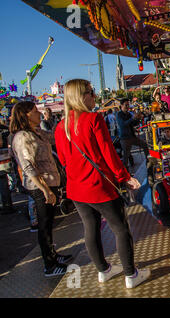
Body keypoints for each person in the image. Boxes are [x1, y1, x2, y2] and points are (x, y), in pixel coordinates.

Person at [55, 79, 150, 288]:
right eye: (91, 92)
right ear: (81, 96)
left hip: (76, 189)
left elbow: (63, 161)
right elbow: (109, 154)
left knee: (90, 229)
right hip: (99, 187)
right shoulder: (92, 119)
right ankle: (130, 275)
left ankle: (103, 271)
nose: (95, 96)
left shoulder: (61, 126)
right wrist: (125, 176)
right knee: (121, 229)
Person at [10, 101, 72, 277]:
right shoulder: (22, 137)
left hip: (50, 183)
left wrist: (66, 120)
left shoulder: (36, 133)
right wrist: (45, 190)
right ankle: (49, 265)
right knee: (44, 225)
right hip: (40, 187)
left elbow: (53, 137)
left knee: (50, 223)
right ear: (26, 115)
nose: (39, 114)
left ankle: (53, 255)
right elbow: (28, 167)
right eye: (35, 111)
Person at [116, 98, 149, 171]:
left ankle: (148, 161)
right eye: (126, 105)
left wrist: (138, 118)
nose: (128, 106)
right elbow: (123, 124)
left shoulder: (128, 114)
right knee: (126, 156)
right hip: (124, 138)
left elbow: (133, 124)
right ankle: (126, 173)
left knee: (144, 145)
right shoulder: (119, 114)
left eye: (128, 105)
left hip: (132, 136)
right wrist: (132, 118)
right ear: (121, 105)